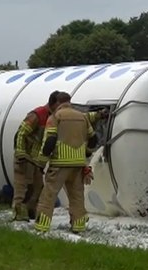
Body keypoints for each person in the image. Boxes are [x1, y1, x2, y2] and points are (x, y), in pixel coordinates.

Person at [34, 92, 100, 234]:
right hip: (78, 164)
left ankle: (42, 227)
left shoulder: (55, 117)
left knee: (49, 195)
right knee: (77, 196)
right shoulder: (83, 117)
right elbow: (94, 138)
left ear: (57, 102)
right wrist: (86, 154)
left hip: (59, 164)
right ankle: (78, 227)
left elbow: (49, 142)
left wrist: (40, 164)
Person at [10, 91, 61, 222]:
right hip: (26, 158)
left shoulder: (54, 118)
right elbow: (21, 133)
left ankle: (31, 211)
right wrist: (21, 152)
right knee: (23, 187)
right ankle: (19, 213)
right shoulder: (37, 115)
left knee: (37, 187)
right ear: (54, 103)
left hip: (36, 161)